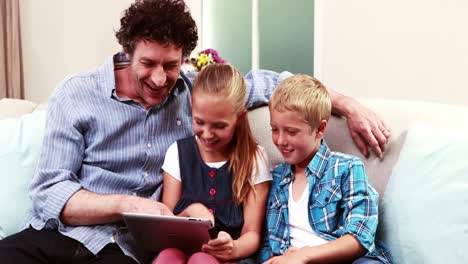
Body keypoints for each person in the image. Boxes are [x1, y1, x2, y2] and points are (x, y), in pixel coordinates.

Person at [0, 0, 390, 263]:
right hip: (59, 236)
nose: (159, 78)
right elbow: (50, 192)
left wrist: (349, 106)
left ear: (183, 60)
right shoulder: (77, 93)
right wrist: (128, 204)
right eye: (148, 63)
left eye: (170, 65)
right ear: (126, 52)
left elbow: (279, 84)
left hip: (123, 250)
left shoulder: (194, 94)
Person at [259, 74, 393, 264]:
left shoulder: (346, 169)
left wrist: (304, 255)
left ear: (320, 129)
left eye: (291, 131)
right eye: (274, 129)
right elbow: (269, 243)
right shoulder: (277, 178)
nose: (280, 140)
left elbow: (360, 236)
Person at [154, 64, 270, 264]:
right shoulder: (178, 153)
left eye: (219, 126)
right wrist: (190, 212)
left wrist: (233, 249)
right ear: (191, 107)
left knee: (201, 260)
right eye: (199, 122)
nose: (207, 134)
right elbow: (167, 227)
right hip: (182, 251)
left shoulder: (254, 157)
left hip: (231, 258)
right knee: (167, 256)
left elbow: (252, 234)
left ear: (240, 118)